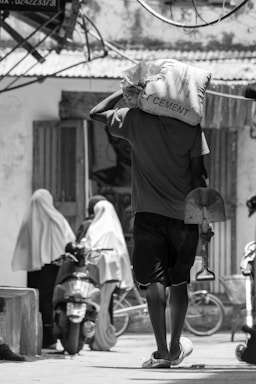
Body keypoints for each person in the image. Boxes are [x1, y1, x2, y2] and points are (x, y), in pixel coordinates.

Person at [89, 86, 209, 368]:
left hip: (148, 215)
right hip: (184, 216)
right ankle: (176, 344)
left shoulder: (135, 119)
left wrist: (120, 92)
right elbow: (198, 176)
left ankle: (162, 352)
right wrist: (204, 218)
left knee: (155, 281)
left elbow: (95, 113)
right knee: (180, 281)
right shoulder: (190, 125)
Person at [12, 189, 76, 348]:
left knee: (36, 301)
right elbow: (69, 241)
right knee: (48, 301)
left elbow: (23, 248)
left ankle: (38, 338)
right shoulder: (56, 219)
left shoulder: (28, 220)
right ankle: (50, 338)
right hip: (53, 266)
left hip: (34, 267)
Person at [84, 197, 134, 351]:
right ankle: (101, 339)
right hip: (111, 276)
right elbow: (121, 254)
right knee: (103, 308)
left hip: (97, 276)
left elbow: (89, 251)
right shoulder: (114, 230)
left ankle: (100, 340)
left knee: (99, 308)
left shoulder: (95, 229)